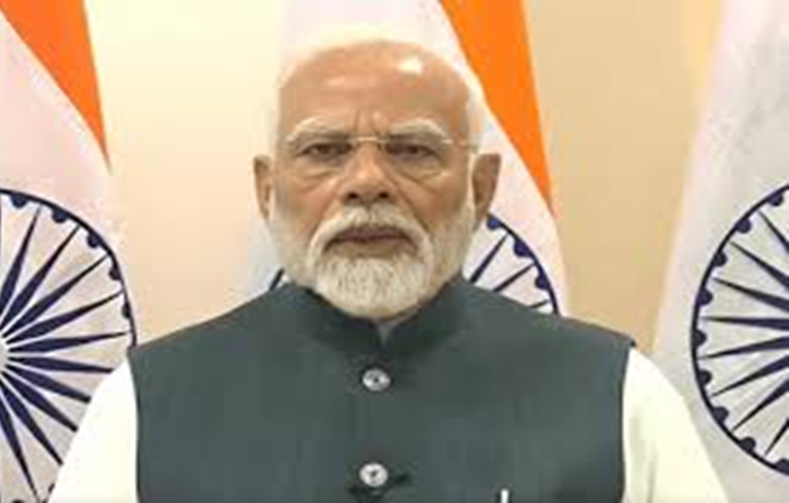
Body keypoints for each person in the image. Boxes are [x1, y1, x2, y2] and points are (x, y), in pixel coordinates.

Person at [50, 35, 727, 503]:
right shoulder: (148, 402)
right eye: (323, 150)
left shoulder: (617, 393)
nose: (366, 182)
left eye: (411, 150)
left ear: (481, 187)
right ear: (266, 189)